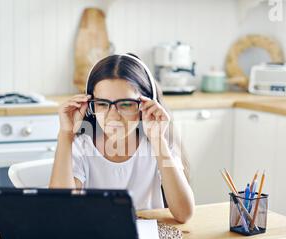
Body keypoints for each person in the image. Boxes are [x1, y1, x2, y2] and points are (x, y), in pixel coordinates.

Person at [49, 53, 194, 223]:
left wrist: (158, 140)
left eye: (125, 104)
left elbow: (184, 214)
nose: (113, 116)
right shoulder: (81, 146)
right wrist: (66, 135)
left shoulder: (157, 144)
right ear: (89, 104)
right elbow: (60, 211)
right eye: (102, 104)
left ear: (147, 105)